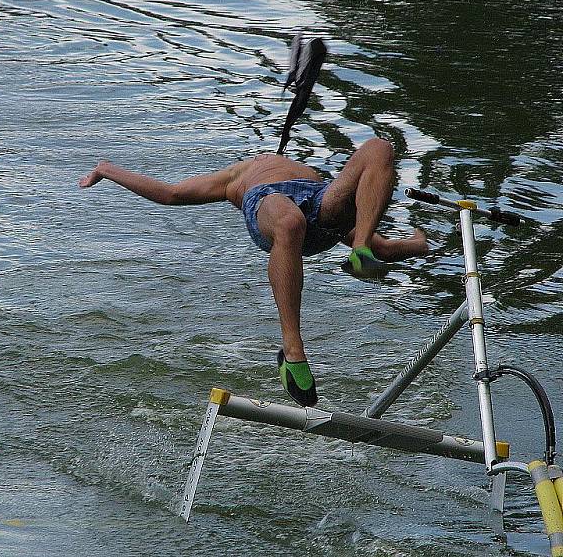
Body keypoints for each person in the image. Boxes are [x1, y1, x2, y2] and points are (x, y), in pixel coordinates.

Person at [78, 36, 429, 407]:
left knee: (378, 148)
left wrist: (416, 244)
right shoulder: (236, 175)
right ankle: (293, 352)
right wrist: (107, 169)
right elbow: (171, 194)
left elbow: (384, 247)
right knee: (290, 222)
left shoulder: (302, 168)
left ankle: (357, 254)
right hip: (272, 209)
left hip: (319, 201)